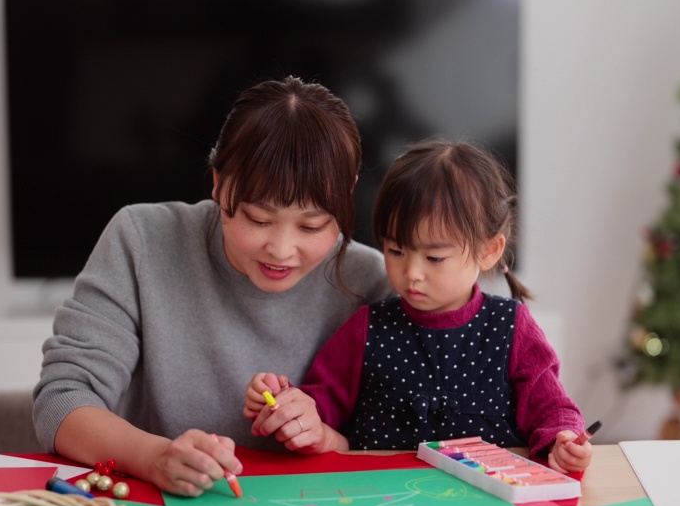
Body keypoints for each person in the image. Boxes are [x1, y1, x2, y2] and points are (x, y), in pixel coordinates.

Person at [33, 76, 392, 497]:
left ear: (348, 194)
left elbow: (394, 439)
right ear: (219, 183)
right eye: (258, 219)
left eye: (312, 225)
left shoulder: (374, 282)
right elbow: (61, 401)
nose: (281, 250)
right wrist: (154, 458)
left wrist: (326, 436)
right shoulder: (142, 239)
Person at [244, 140, 593, 474]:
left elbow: (552, 409)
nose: (411, 273)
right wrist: (285, 404)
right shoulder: (369, 327)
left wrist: (564, 440)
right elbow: (319, 406)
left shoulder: (510, 326)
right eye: (396, 251)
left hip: (487, 502)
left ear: (489, 250)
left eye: (434, 257)